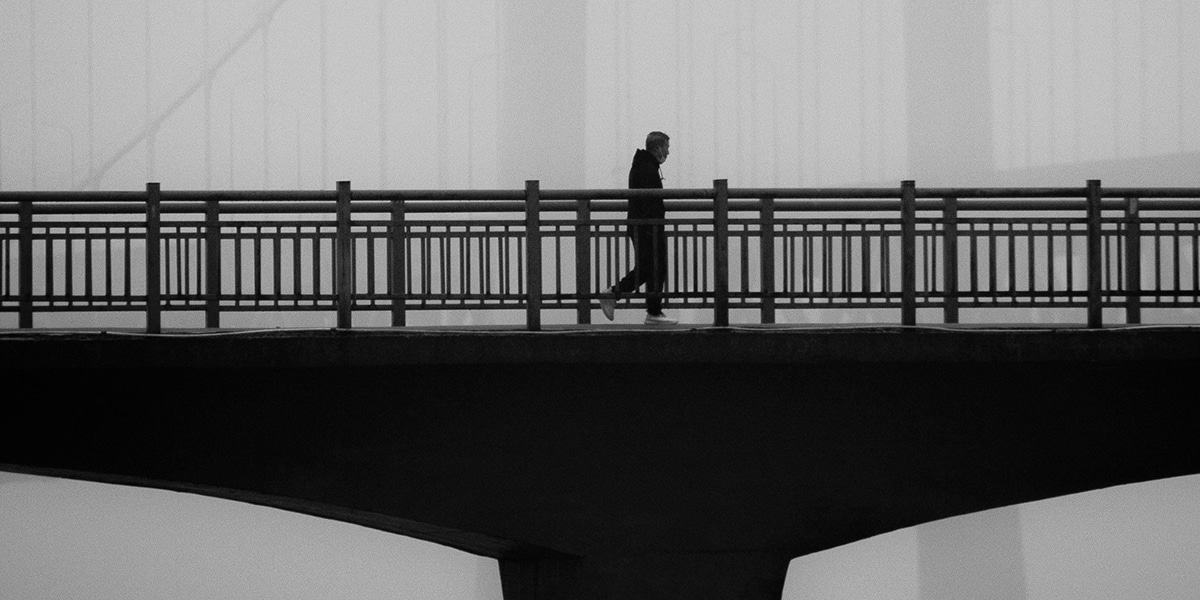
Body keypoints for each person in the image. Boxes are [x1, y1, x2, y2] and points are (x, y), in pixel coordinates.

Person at [599, 131, 677, 325]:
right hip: (647, 228)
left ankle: (652, 311)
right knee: (652, 268)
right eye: (666, 148)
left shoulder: (644, 165)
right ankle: (617, 296)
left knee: (650, 268)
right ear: (658, 147)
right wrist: (653, 228)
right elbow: (649, 201)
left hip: (644, 227)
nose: (668, 153)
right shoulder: (647, 168)